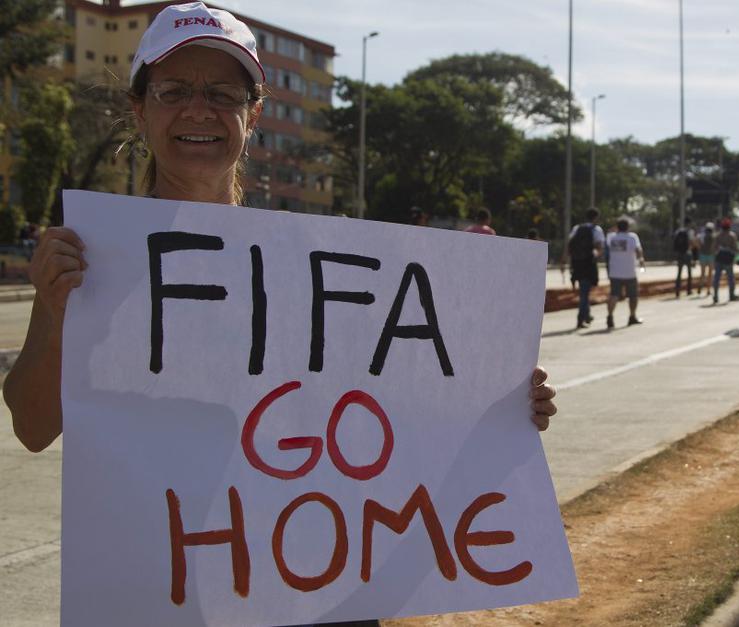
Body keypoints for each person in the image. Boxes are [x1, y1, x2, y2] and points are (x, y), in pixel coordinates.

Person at [3, 6, 558, 626]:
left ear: (253, 113)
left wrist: (498, 403)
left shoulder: (324, 263)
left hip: (314, 583)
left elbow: (393, 407)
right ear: (140, 109)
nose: (199, 110)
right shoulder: (91, 256)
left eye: (222, 93)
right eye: (174, 91)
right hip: (169, 593)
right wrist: (56, 315)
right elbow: (31, 425)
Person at [568, 208, 605, 328]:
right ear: (596, 217)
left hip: (577, 263)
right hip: (588, 263)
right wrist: (596, 255)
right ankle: (580, 318)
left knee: (584, 290)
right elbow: (599, 248)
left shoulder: (577, 228)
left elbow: (569, 245)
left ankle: (587, 315)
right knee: (584, 292)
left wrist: (565, 261)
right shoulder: (597, 230)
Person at [604, 216, 644, 328]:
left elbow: (609, 235)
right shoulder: (632, 237)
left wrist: (614, 229)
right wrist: (641, 259)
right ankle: (632, 316)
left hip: (615, 272)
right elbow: (638, 250)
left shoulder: (611, 238)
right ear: (628, 227)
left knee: (614, 295)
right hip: (629, 272)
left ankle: (610, 316)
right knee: (633, 295)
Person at [711, 218, 738, 303]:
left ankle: (715, 295)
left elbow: (714, 248)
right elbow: (735, 248)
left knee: (717, 278)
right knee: (730, 278)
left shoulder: (717, 236)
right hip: (728, 259)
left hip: (719, 259)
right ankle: (731, 294)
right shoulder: (732, 236)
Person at [672, 217, 694, 297]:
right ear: (689, 223)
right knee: (689, 273)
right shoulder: (690, 232)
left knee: (679, 273)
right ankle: (689, 290)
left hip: (680, 254)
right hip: (687, 254)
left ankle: (677, 291)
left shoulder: (678, 231)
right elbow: (691, 243)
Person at [697, 222, 715, 295]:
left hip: (702, 255)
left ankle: (700, 285)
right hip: (710, 255)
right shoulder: (713, 235)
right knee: (710, 274)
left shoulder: (701, 235)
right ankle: (708, 290)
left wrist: (700, 249)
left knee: (703, 273)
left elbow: (697, 243)